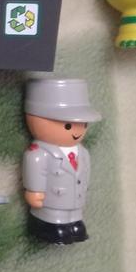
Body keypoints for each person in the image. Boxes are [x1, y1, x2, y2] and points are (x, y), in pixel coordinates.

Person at [22, 77, 102, 245]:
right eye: (68, 126)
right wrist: (34, 191)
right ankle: (49, 226)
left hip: (76, 199)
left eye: (83, 125)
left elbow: (85, 172)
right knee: (54, 217)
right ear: (34, 118)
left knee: (75, 220)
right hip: (52, 202)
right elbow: (35, 171)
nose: (77, 132)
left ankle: (74, 222)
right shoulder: (39, 154)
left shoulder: (82, 152)